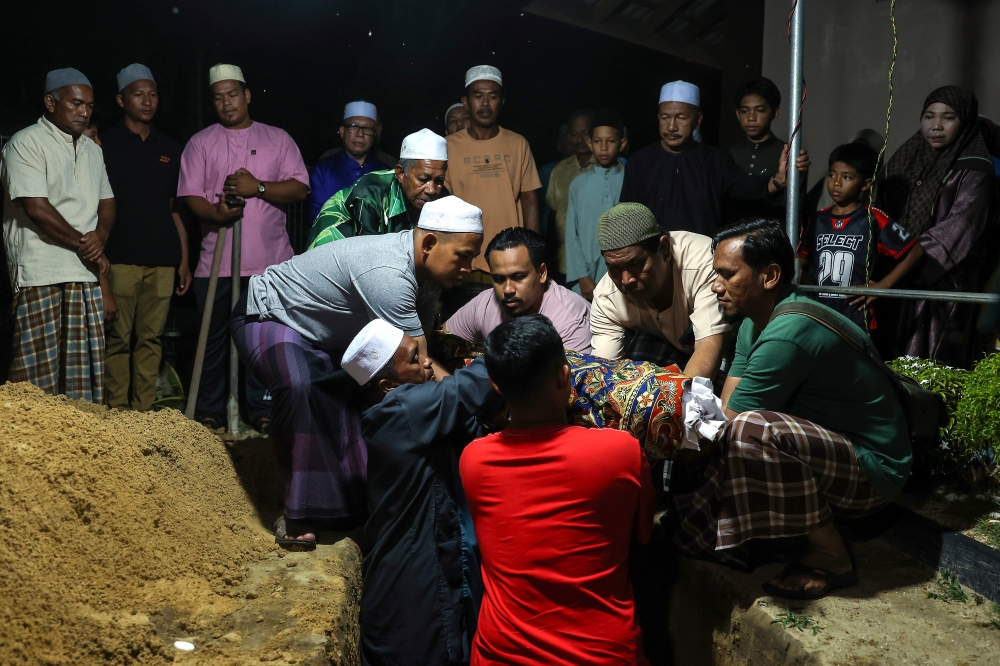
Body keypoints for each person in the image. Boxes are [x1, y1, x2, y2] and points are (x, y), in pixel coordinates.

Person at [674, 219, 911, 599]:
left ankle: (832, 555)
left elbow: (730, 424)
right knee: (730, 430)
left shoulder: (789, 330)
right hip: (831, 450)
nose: (715, 286)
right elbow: (727, 406)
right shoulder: (756, 320)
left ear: (769, 276)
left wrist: (666, 420)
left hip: (875, 469)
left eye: (726, 275)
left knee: (751, 431)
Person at [231, 195, 484, 544]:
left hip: (321, 334)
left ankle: (348, 506)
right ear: (429, 243)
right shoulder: (389, 274)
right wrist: (478, 397)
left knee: (352, 389)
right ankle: (296, 516)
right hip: (268, 314)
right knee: (301, 386)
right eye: (464, 255)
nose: (470, 267)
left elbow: (419, 354)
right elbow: (421, 366)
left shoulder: (423, 276)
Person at [462, 314, 655, 665]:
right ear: (565, 378)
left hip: (502, 654)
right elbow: (642, 536)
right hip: (603, 654)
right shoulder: (622, 452)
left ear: (496, 385)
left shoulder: (474, 461)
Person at [352, 321, 503, 666]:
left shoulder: (403, 414)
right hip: (410, 591)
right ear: (388, 386)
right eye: (414, 359)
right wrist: (512, 340)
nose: (426, 362)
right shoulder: (401, 411)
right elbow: (473, 384)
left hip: (413, 574)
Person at [178, 63, 309, 432]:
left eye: (232, 94)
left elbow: (300, 187)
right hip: (213, 264)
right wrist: (218, 213)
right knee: (212, 342)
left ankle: (262, 410)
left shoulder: (277, 138)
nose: (226, 103)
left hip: (270, 265)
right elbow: (190, 195)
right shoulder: (200, 142)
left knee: (263, 340)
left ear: (247, 95)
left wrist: (259, 188)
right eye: (218, 97)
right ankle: (209, 412)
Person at [1, 68, 113, 403]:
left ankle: (81, 452)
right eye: (76, 103)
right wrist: (88, 245)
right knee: (35, 383)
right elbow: (37, 209)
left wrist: (101, 235)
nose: (85, 111)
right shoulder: (25, 143)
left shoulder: (93, 150)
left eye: (89, 105)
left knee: (82, 383)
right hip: (41, 271)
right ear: (50, 102)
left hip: (84, 274)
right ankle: (24, 451)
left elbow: (107, 202)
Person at [881, 85, 1000, 368]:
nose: (936, 126)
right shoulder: (905, 160)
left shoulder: (975, 170)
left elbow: (957, 232)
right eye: (928, 116)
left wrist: (907, 261)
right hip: (894, 279)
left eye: (948, 117)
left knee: (932, 364)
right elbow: (881, 215)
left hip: (943, 283)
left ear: (965, 121)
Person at [100, 64, 191, 411]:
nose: (147, 101)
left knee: (151, 339)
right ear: (121, 99)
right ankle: (118, 413)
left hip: (163, 259)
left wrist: (183, 259)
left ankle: (143, 412)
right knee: (119, 338)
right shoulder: (103, 142)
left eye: (152, 94)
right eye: (139, 94)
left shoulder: (169, 147)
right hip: (120, 257)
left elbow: (174, 209)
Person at [620, 80, 809, 236]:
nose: (671, 126)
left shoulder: (715, 160)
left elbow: (747, 188)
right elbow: (627, 217)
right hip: (654, 262)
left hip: (703, 262)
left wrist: (778, 179)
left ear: (698, 120)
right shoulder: (639, 162)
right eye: (665, 117)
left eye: (681, 118)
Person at [590, 202, 733, 379]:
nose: (626, 280)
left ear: (664, 248)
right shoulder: (607, 296)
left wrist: (674, 402)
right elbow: (605, 372)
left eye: (635, 264)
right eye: (614, 268)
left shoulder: (704, 264)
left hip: (726, 350)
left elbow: (708, 348)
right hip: (667, 347)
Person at [797, 142, 920, 333]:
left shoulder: (872, 218)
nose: (836, 182)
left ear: (865, 184)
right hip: (820, 314)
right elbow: (801, 261)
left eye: (846, 177)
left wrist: (884, 285)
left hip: (856, 317)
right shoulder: (818, 219)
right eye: (832, 174)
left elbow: (915, 250)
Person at [445, 65, 543, 275]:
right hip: (463, 258)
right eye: (478, 96)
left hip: (511, 256)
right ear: (466, 102)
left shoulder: (517, 143)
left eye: (493, 96)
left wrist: (534, 254)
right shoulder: (448, 146)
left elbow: (529, 200)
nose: (486, 104)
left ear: (502, 102)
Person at [444, 227, 592, 353]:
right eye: (499, 279)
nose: (507, 289)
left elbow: (572, 385)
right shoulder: (485, 303)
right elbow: (443, 342)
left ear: (541, 273)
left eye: (519, 277)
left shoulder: (570, 321)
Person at [308, 129, 449, 247]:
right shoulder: (370, 192)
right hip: (333, 252)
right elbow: (368, 257)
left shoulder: (443, 197)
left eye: (439, 180)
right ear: (400, 173)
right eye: (423, 180)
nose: (432, 190)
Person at [566, 108, 628, 300]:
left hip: (622, 273)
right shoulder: (579, 184)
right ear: (589, 143)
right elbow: (571, 234)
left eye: (610, 141)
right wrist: (582, 276)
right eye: (597, 141)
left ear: (622, 143)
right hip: (586, 276)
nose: (603, 148)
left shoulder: (630, 180)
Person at [307, 101, 388, 221]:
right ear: (342, 131)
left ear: (374, 135)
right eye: (353, 127)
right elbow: (318, 220)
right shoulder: (323, 170)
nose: (360, 134)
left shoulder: (385, 174)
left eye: (367, 129)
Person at [544, 109, 594, 280]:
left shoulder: (609, 169)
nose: (580, 140)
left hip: (601, 261)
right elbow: (553, 217)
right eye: (574, 134)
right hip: (565, 262)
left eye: (585, 133)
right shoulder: (559, 171)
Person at [729, 77, 784, 177]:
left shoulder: (788, 155)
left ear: (775, 113)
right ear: (737, 114)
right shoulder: (730, 155)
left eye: (760, 110)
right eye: (744, 111)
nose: (751, 118)